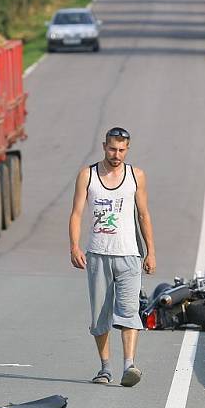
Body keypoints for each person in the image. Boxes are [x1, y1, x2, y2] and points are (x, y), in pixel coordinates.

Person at [69, 127, 156, 387]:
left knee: (129, 311)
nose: (116, 155)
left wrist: (151, 251)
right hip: (98, 254)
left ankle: (129, 365)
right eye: (111, 149)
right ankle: (105, 367)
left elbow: (143, 215)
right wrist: (74, 246)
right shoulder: (88, 175)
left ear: (127, 149)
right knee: (100, 316)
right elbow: (76, 213)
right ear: (103, 146)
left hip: (129, 254)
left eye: (121, 150)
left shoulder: (136, 176)